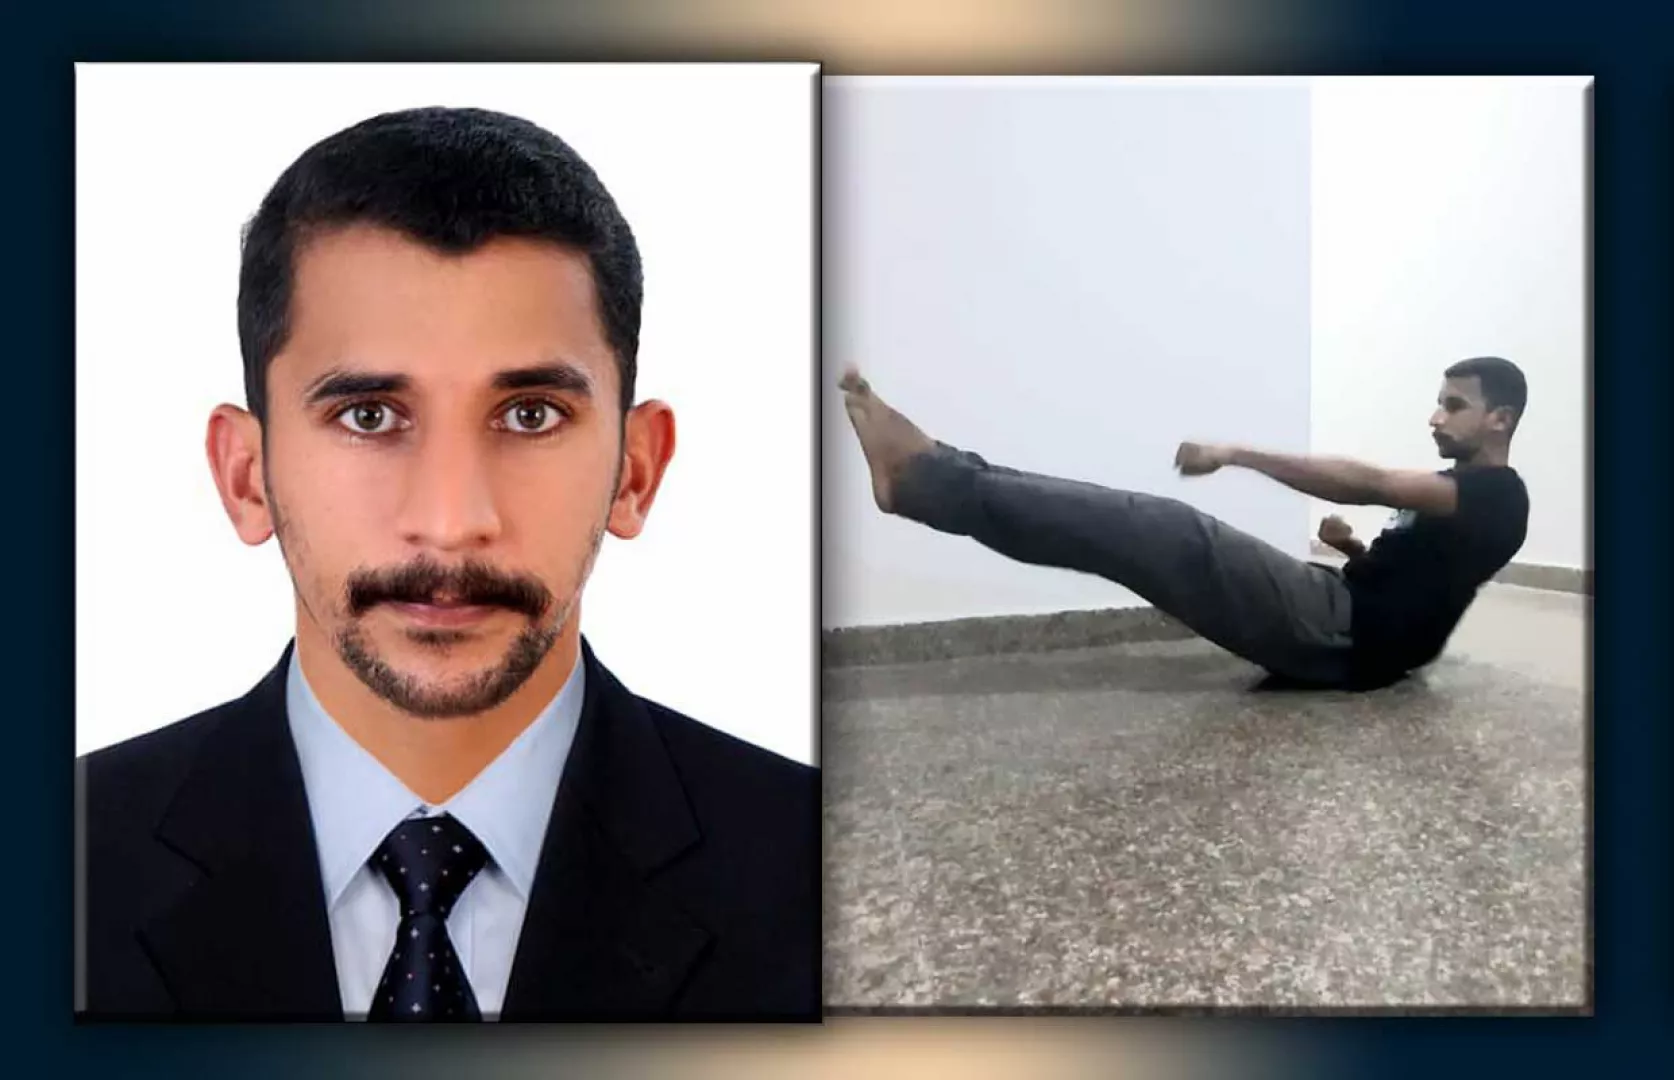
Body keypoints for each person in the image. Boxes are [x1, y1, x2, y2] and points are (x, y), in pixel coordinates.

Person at [79, 107, 817, 1021]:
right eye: (369, 416)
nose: (451, 522)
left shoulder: (814, 866)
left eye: (530, 415)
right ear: (245, 477)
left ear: (635, 472)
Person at [838, 356, 1529, 691]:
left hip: (1348, 637)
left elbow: (1372, 483)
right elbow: (1420, 582)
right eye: (1438, 402)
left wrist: (1235, 454)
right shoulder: (1468, 496)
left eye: (1454, 405)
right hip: (1344, 615)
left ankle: (924, 478)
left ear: (1499, 419)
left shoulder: (1499, 493)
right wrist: (1351, 546)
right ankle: (935, 474)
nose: (1435, 417)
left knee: (1161, 528)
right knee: (1133, 537)